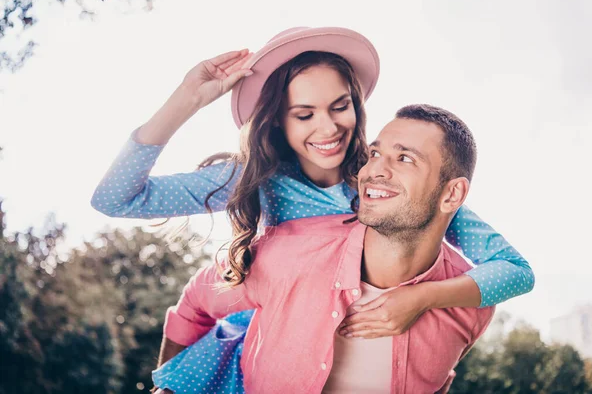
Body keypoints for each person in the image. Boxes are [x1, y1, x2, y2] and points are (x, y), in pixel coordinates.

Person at [90, 27, 534, 393]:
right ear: (278, 121)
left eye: (340, 107)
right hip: (265, 347)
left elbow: (514, 270)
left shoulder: (387, 185)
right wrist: (186, 98)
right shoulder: (254, 179)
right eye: (304, 114)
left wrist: (419, 297)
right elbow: (116, 198)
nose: (329, 128)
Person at [156, 104, 496, 393]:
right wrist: (171, 379)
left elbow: (438, 379)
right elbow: (196, 303)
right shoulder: (288, 252)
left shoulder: (472, 306)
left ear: (451, 195)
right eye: (375, 153)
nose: (374, 169)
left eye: (404, 158)